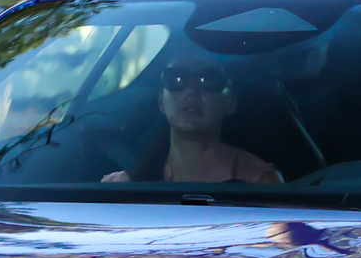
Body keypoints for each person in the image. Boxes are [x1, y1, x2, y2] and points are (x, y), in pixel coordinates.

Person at [104, 60, 279, 184]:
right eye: (177, 79)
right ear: (161, 102)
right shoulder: (121, 186)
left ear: (231, 103)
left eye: (208, 80)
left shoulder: (259, 182)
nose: (192, 91)